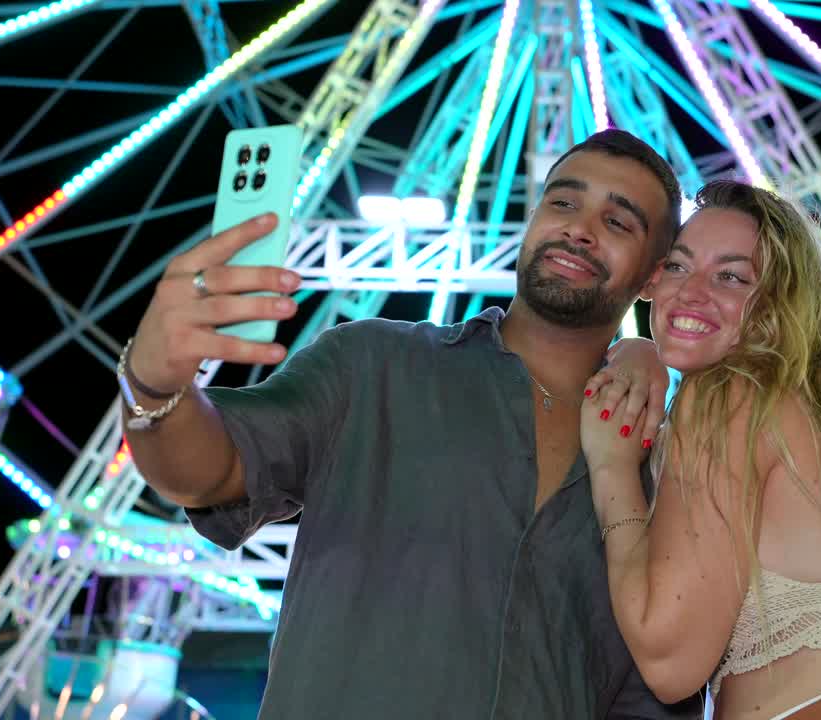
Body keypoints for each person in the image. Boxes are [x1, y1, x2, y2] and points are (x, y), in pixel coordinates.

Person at [117, 129, 702, 719]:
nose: (579, 229)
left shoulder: (664, 469)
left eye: (618, 222)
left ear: (656, 277)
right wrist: (155, 385)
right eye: (563, 202)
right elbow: (210, 470)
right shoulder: (371, 366)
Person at [580, 179, 821, 719]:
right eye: (677, 266)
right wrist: (637, 349)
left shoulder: (729, 396)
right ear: (652, 280)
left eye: (731, 277)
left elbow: (670, 663)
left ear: (775, 306)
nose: (691, 291)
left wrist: (611, 467)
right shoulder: (802, 408)